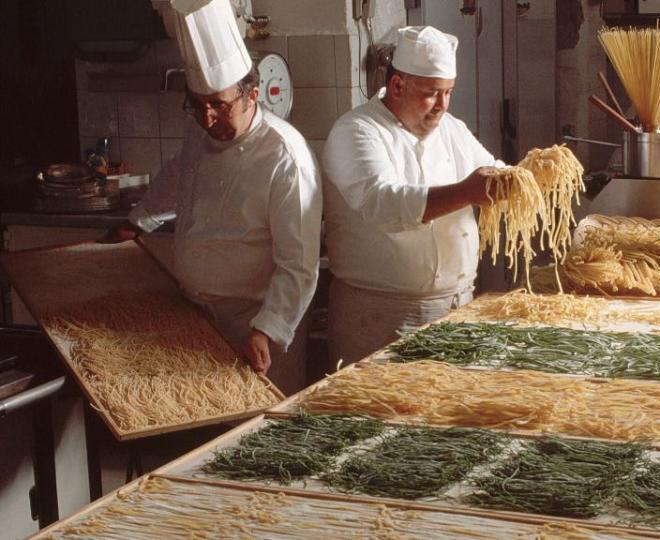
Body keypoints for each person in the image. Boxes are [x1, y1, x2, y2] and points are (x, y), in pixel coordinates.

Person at [103, 0, 322, 395]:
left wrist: (266, 329)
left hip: (254, 321)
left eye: (219, 106)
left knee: (258, 432)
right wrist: (138, 221)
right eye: (197, 105)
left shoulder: (285, 157)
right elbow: (178, 177)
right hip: (195, 316)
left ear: (252, 94)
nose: (207, 119)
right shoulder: (200, 133)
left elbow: (299, 264)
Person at [322, 25, 506, 366]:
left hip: (457, 307)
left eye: (449, 92)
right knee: (377, 416)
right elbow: (383, 203)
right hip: (380, 317)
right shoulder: (356, 131)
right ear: (396, 85)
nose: (443, 106)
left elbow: (494, 173)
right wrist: (468, 191)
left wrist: (522, 180)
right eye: (432, 93)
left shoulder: (453, 130)